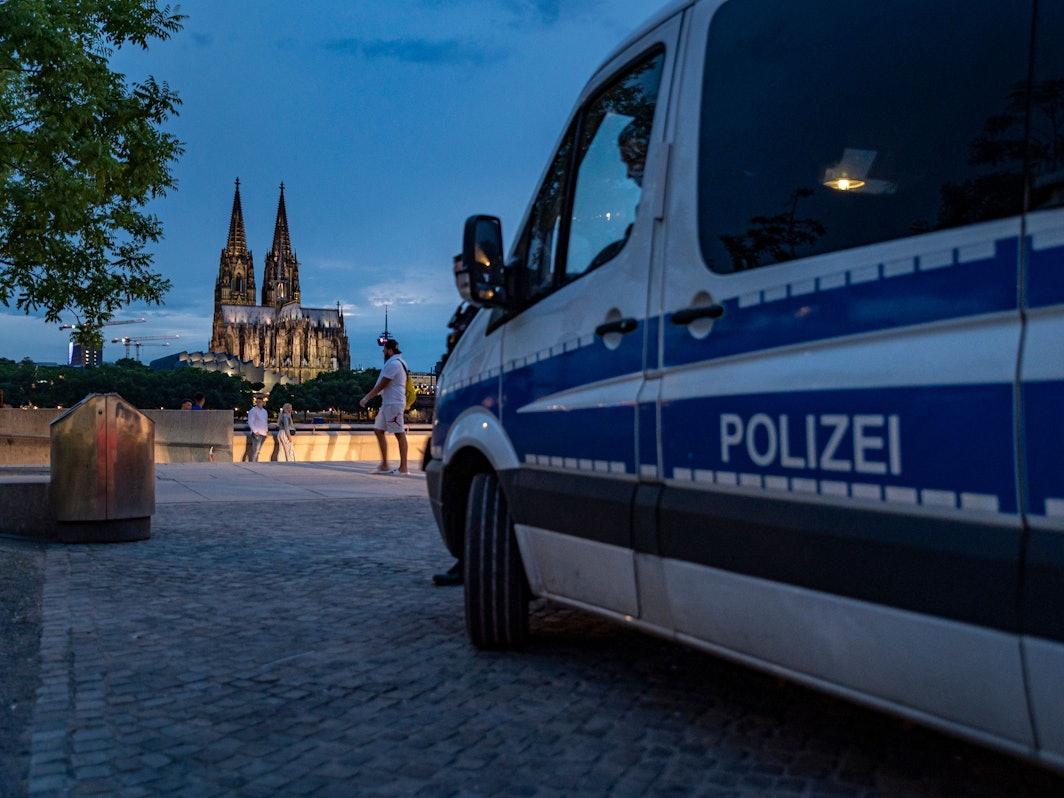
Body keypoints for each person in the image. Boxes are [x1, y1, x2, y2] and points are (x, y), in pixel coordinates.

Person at [359, 339, 409, 474]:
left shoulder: (394, 364)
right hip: (387, 403)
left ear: (390, 350)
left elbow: (382, 384)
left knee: (399, 433)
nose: (383, 353)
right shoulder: (397, 363)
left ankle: (404, 468)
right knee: (378, 430)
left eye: (384, 350)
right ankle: (385, 464)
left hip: (394, 403)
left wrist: (366, 398)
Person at [247, 396, 269, 462]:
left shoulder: (264, 411)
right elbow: (250, 421)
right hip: (257, 433)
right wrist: (255, 431)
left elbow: (265, 422)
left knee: (258, 450)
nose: (259, 403)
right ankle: (254, 463)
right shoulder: (253, 410)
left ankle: (256, 461)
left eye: (260, 402)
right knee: (255, 450)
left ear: (263, 403)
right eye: (257, 402)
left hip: (263, 433)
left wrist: (266, 431)